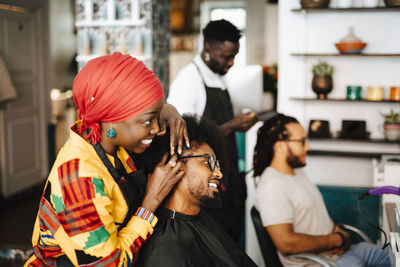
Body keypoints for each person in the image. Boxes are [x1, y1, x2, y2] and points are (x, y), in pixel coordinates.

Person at [25, 52, 190, 266]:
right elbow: (109, 264)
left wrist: (171, 113)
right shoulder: (80, 181)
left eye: (156, 117)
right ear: (112, 120)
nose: (157, 129)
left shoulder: (107, 141)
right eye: (149, 121)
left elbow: (154, 113)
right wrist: (151, 202)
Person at [252, 113, 393, 267]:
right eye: (302, 141)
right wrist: (339, 239)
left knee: (393, 257)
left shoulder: (296, 172)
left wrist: (338, 233)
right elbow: (286, 244)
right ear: (280, 146)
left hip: (341, 252)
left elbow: (313, 217)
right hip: (321, 263)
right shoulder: (272, 186)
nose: (308, 147)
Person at [167, 19, 257, 242]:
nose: (231, 63)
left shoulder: (218, 77)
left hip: (227, 180)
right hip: (205, 186)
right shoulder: (189, 80)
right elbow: (182, 136)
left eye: (234, 56)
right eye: (226, 57)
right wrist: (231, 126)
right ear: (208, 49)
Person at [133, 115, 257, 267]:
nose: (219, 173)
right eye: (207, 162)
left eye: (217, 164)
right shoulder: (164, 246)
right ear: (173, 165)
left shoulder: (200, 222)